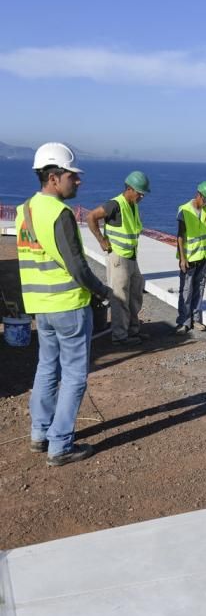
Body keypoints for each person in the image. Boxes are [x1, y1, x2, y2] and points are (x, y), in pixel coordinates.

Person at [15, 142, 112, 467]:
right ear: (54, 178)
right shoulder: (59, 213)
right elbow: (78, 267)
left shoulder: (25, 210)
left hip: (41, 305)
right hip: (68, 305)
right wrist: (105, 292)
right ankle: (60, 445)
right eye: (73, 176)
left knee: (46, 368)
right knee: (73, 376)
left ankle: (40, 434)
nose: (79, 181)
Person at [86, 171, 151, 346]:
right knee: (120, 297)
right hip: (118, 258)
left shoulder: (133, 205)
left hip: (131, 257)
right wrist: (101, 240)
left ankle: (133, 330)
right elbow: (91, 216)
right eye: (139, 193)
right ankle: (120, 337)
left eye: (143, 194)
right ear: (129, 189)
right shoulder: (115, 204)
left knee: (135, 294)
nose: (141, 197)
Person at [176, 180, 206, 334]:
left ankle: (196, 319)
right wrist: (182, 258)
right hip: (189, 257)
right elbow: (180, 236)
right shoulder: (184, 210)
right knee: (186, 290)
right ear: (199, 195)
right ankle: (184, 321)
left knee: (199, 288)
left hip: (203, 256)